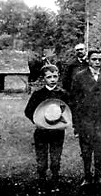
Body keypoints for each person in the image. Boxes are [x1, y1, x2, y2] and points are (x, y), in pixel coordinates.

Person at [69, 48, 101, 186]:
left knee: (100, 147)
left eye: (100, 60)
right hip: (86, 118)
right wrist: (76, 123)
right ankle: (87, 176)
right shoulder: (79, 76)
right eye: (94, 59)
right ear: (88, 60)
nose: (97, 62)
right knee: (86, 149)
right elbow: (74, 100)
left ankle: (98, 175)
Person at [24, 64, 70, 192]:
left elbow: (69, 110)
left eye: (55, 76)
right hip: (41, 132)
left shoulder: (63, 94)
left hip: (58, 131)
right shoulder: (38, 94)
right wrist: (38, 121)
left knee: (56, 158)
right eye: (49, 77)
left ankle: (55, 181)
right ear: (44, 78)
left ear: (58, 77)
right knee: (42, 159)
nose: (52, 79)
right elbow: (28, 111)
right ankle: (42, 182)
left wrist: (62, 121)